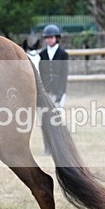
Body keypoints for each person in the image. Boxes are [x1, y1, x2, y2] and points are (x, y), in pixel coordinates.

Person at [38, 24, 70, 154]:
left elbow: (64, 74)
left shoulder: (63, 54)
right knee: (44, 120)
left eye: (51, 37)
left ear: (57, 38)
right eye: (47, 38)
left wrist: (61, 93)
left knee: (56, 121)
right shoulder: (42, 54)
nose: (49, 40)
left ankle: (59, 148)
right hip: (45, 91)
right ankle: (47, 147)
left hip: (58, 91)